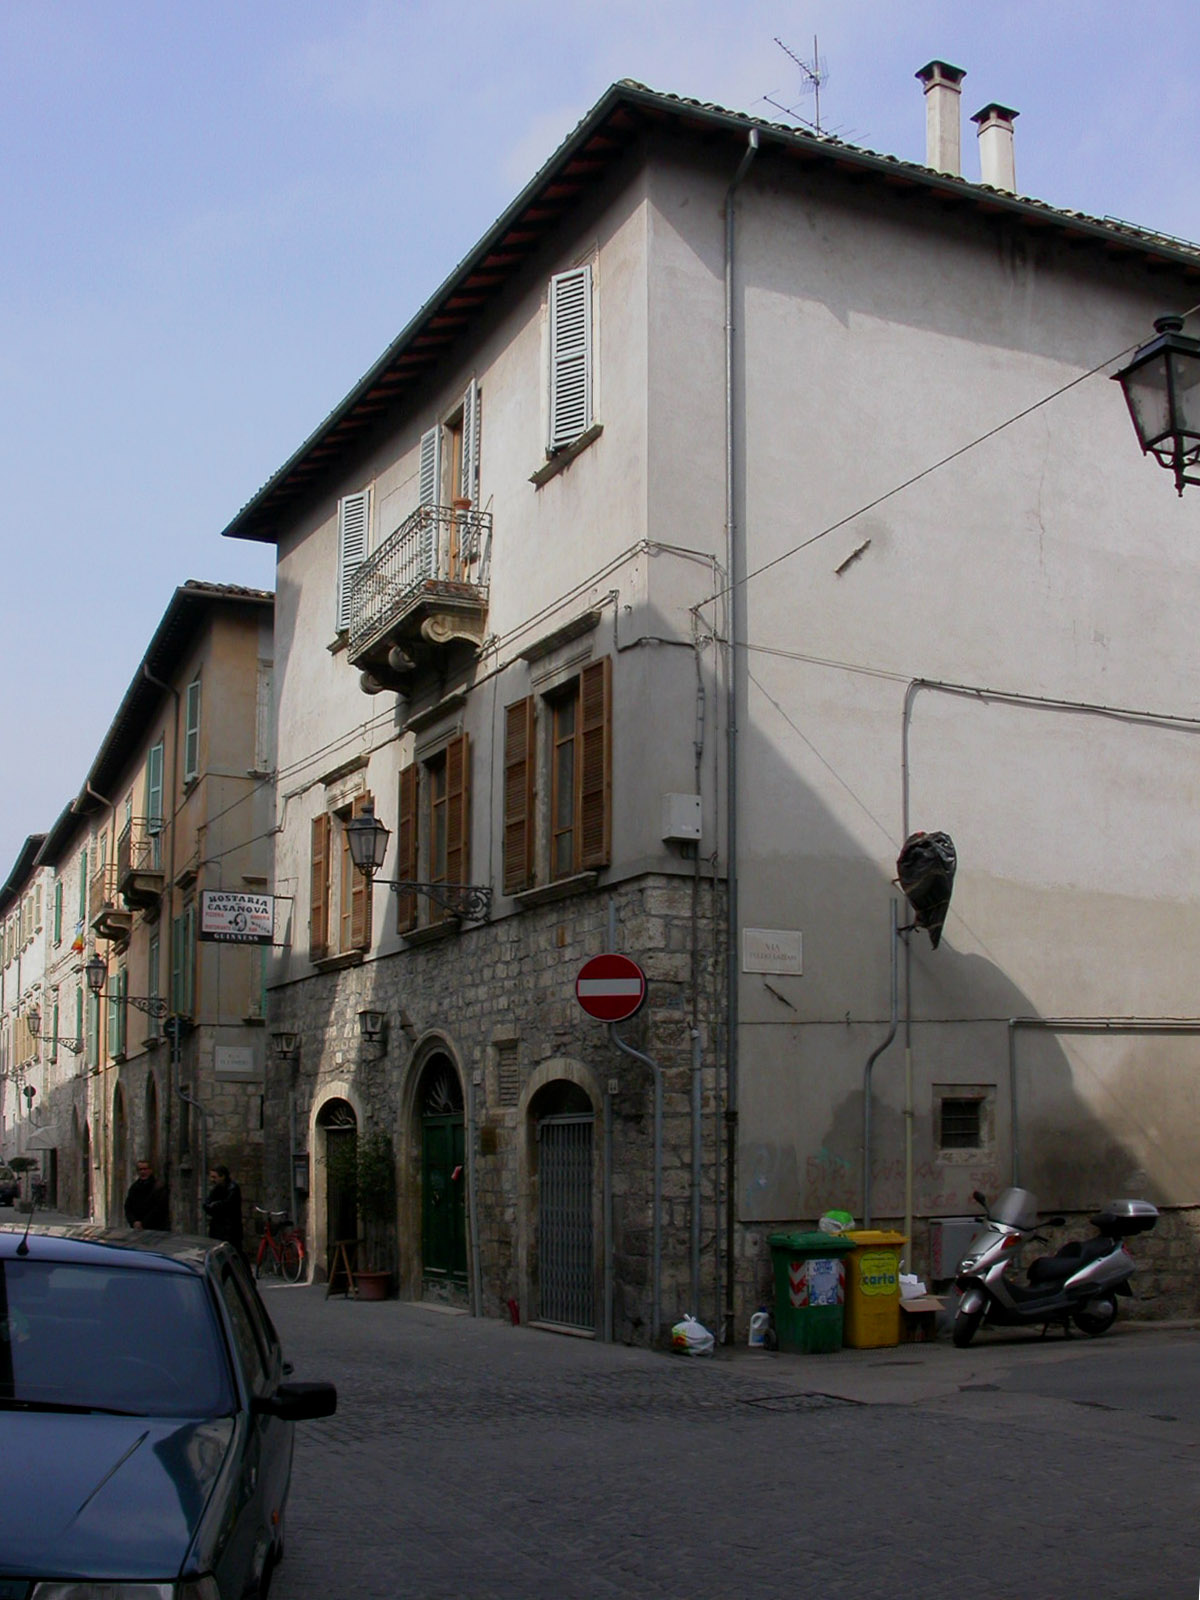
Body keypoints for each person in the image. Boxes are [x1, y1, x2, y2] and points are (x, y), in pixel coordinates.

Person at [203, 1164, 244, 1253]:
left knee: (235, 1253)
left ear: (223, 1177)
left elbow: (227, 1205)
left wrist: (215, 1206)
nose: (212, 1180)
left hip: (231, 1230)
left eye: (214, 1177)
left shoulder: (233, 1188)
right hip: (217, 1228)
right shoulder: (217, 1189)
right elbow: (207, 1204)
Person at [124, 1159, 169, 1230]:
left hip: (155, 1228)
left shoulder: (158, 1187)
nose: (143, 1172)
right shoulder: (134, 1187)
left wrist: (143, 1223)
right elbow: (128, 1207)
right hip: (137, 1228)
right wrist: (134, 1222)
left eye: (145, 1169)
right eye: (140, 1169)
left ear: (150, 1170)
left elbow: (159, 1208)